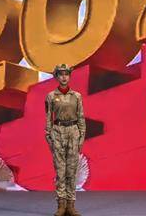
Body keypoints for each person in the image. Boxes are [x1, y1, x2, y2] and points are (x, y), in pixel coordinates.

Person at [45, 64, 86, 216]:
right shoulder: (51, 96)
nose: (64, 77)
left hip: (73, 131)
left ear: (69, 76)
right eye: (61, 74)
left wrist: (81, 136)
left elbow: (81, 117)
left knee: (72, 170)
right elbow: (48, 118)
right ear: (56, 77)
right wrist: (48, 136)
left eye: (66, 74)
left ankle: (71, 205)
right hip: (58, 131)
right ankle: (61, 205)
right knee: (60, 170)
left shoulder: (77, 96)